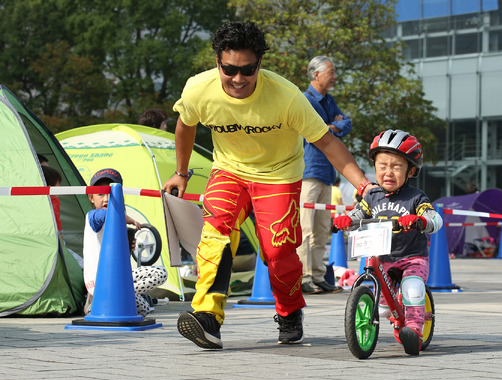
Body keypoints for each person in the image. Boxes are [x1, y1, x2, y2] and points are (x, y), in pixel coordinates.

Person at [162, 20, 374, 349]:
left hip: (278, 175)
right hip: (229, 170)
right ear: (217, 61)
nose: (237, 79)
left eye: (247, 70)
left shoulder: (287, 97)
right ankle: (207, 316)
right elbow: (185, 125)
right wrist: (181, 172)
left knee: (278, 253)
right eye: (229, 69)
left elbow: (329, 144)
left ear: (259, 63)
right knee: (215, 234)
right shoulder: (198, 89)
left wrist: (363, 186)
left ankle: (289, 312)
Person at [333, 129, 443, 355]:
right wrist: (347, 220)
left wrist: (420, 221)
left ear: (411, 170)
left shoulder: (416, 197)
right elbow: (359, 214)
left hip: (412, 257)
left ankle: (414, 329)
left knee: (412, 289)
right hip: (382, 258)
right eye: (382, 166)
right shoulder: (372, 196)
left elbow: (435, 218)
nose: (388, 172)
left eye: (396, 167)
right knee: (383, 306)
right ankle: (393, 320)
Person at [298, 56, 351, 295]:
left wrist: (332, 126)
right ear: (316, 74)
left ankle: (318, 276)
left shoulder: (328, 100)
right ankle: (304, 277)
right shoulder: (305, 100)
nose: (335, 76)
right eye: (331, 71)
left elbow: (346, 123)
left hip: (327, 173)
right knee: (305, 228)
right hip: (309, 171)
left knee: (321, 229)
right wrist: (332, 125)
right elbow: (312, 130)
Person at [84, 168, 168, 317]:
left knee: (144, 310)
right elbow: (102, 215)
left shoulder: (118, 224)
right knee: (160, 273)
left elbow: (118, 262)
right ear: (91, 198)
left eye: (110, 194)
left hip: (115, 277)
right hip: (100, 281)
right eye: (100, 194)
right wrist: (126, 218)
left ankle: (106, 302)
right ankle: (103, 299)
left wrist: (127, 248)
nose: (105, 199)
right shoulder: (92, 216)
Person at [42, 165, 63, 232]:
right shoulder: (53, 201)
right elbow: (56, 219)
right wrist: (60, 232)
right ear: (50, 188)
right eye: (58, 185)